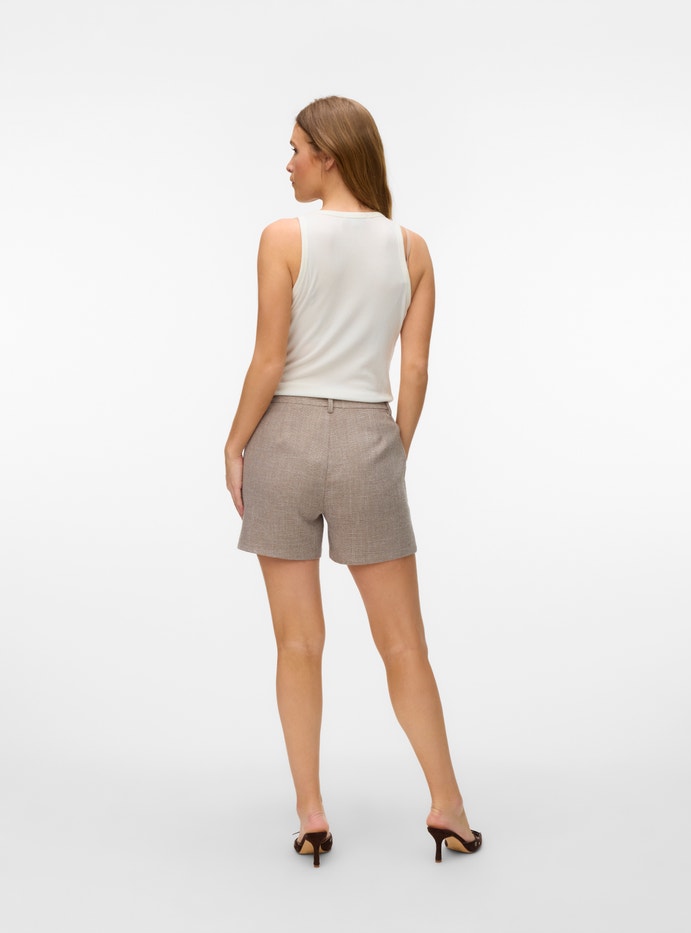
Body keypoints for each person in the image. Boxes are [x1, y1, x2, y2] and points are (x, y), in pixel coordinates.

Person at [224, 96, 481, 867]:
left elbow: (269, 359)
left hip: (285, 437)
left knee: (298, 642)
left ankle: (311, 813)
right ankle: (449, 807)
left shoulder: (282, 237)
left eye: (296, 149)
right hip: (370, 434)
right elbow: (417, 368)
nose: (288, 164)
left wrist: (235, 443)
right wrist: (391, 450)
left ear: (329, 156)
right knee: (405, 644)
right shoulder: (412, 248)